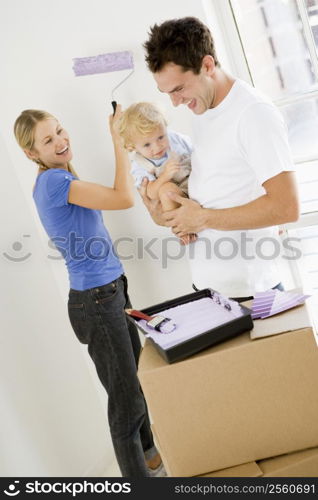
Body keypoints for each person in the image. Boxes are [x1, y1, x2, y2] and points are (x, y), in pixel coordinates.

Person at [13, 107, 165, 477]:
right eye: (48, 140)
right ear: (32, 153)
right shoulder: (54, 183)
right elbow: (123, 198)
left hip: (110, 292)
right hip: (97, 302)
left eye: (60, 131)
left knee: (137, 383)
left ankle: (151, 459)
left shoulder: (61, 176)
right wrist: (116, 141)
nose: (61, 141)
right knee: (126, 402)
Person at [141, 16, 300, 300]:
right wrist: (168, 214)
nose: (175, 103)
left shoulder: (253, 114)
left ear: (207, 65)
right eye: (167, 93)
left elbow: (286, 207)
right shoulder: (205, 107)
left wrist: (201, 218)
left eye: (179, 89)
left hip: (251, 292)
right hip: (208, 287)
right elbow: (220, 188)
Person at [118, 101, 195, 244]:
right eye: (147, 144)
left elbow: (197, 152)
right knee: (166, 191)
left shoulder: (176, 139)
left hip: (196, 181)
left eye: (161, 137)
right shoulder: (140, 164)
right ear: (132, 146)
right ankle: (182, 230)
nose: (157, 146)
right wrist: (165, 176)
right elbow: (151, 194)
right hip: (178, 195)